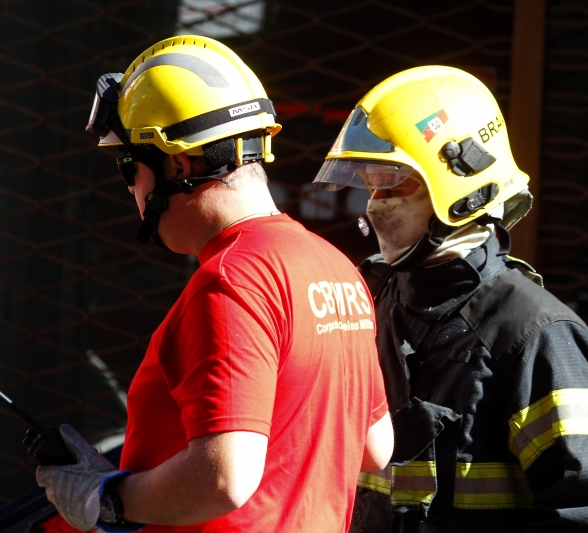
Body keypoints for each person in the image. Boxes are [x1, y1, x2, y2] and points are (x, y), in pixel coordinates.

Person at [35, 35, 393, 533]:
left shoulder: (230, 282)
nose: (132, 187)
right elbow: (376, 448)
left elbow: (225, 479)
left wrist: (107, 500)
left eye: (129, 167)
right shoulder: (336, 267)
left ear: (178, 165)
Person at [312, 66, 588, 532]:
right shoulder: (374, 305)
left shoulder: (538, 335)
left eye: (394, 182)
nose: (375, 203)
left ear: (460, 184)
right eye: (371, 183)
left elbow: (587, 519)